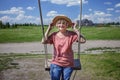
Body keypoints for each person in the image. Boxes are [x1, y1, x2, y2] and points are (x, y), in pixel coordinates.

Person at [41, 15, 86, 80]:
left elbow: (83, 40)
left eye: (63, 23)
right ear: (56, 25)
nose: (61, 25)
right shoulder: (54, 35)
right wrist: (49, 29)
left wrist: (75, 30)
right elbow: (43, 41)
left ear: (67, 25)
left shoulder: (71, 34)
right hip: (56, 62)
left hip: (68, 63)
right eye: (59, 23)